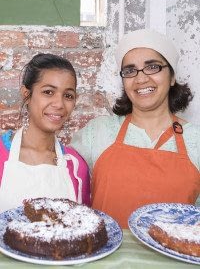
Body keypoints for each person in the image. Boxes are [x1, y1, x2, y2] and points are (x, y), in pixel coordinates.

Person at [71, 29, 200, 228]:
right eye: (130, 71)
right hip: (106, 258)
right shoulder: (97, 132)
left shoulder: (196, 140)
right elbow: (60, 176)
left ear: (172, 77)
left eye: (153, 67)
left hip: (176, 259)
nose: (140, 79)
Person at [0, 53, 90, 213]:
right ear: (26, 95)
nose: (59, 104)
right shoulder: (1, 155)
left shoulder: (76, 166)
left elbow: (83, 229)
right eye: (48, 92)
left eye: (68, 96)